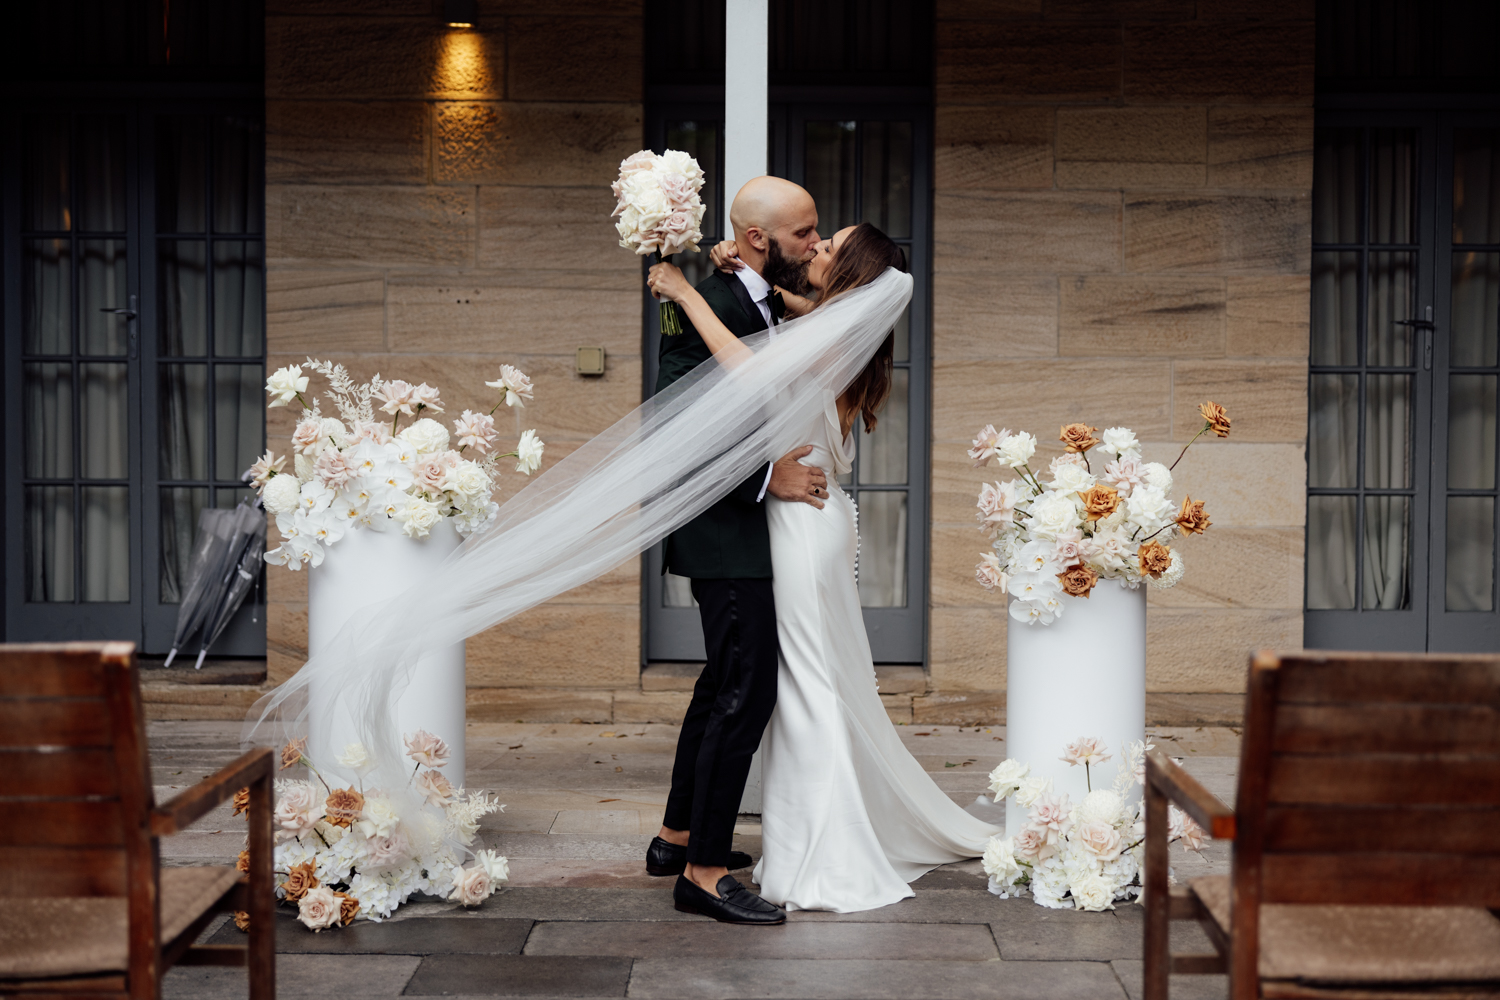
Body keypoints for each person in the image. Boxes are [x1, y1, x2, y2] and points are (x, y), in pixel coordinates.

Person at [646, 220, 1000, 915]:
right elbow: (779, 310)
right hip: (814, 519)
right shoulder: (839, 324)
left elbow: (750, 368)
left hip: (801, 529)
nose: (816, 248)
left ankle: (822, 848)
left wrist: (684, 293)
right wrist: (747, 273)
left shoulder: (833, 333)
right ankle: (714, 836)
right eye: (815, 236)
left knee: (804, 687)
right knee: (806, 679)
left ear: (847, 278)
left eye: (828, 246)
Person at [644, 176, 833, 926]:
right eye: (804, 233)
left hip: (744, 530)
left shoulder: (749, 295)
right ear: (759, 240)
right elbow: (675, 428)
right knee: (744, 692)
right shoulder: (711, 304)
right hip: (727, 531)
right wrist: (770, 475)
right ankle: (705, 872)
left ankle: (677, 835)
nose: (815, 243)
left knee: (721, 679)